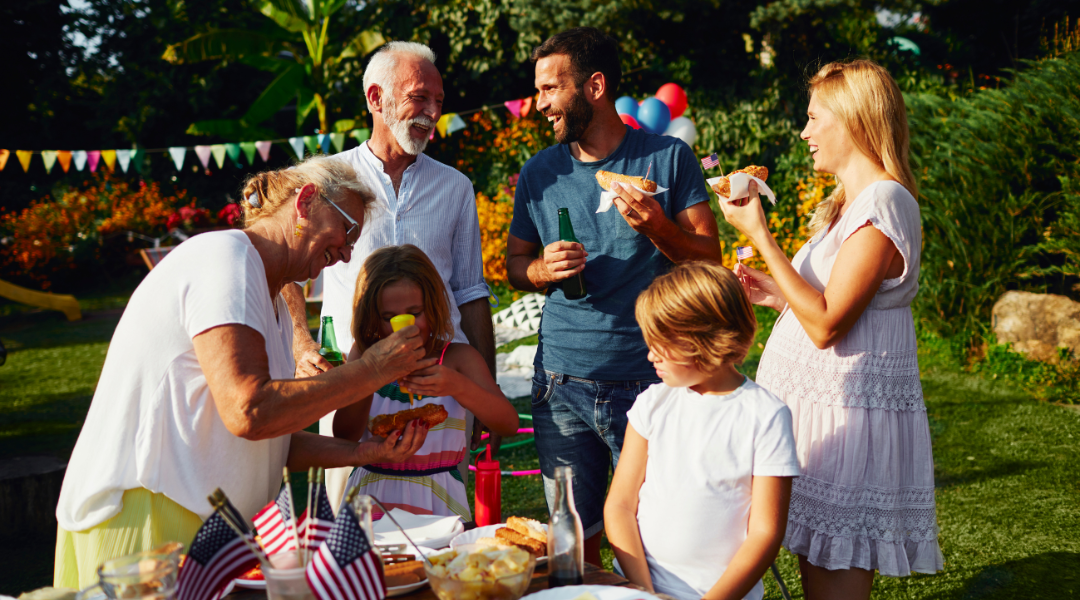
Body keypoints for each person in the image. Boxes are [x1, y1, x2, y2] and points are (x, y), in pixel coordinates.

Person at [54, 156, 434, 588]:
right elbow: (249, 410)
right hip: (151, 522)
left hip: (208, 529)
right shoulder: (226, 257)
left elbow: (275, 441)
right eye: (347, 231)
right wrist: (370, 370)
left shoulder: (267, 295)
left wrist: (368, 454)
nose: (347, 253)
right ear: (306, 201)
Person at [719, 60, 943, 599]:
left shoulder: (885, 203)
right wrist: (772, 292)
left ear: (855, 121)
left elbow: (825, 326)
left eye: (815, 117)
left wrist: (761, 235)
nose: (805, 132)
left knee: (833, 578)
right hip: (814, 411)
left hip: (845, 417)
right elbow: (825, 304)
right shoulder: (849, 206)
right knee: (814, 565)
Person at [506, 27, 722, 565]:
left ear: (594, 86)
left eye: (552, 89)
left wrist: (658, 229)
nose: (540, 105)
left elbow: (709, 258)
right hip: (560, 381)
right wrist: (540, 269)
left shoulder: (667, 159)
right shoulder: (539, 173)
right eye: (538, 91)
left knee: (655, 535)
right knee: (572, 543)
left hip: (649, 379)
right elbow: (513, 266)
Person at [280, 41, 496, 506]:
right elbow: (288, 273)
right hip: (352, 377)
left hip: (439, 377)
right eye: (420, 97)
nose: (432, 111)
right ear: (376, 99)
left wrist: (482, 392)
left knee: (442, 513)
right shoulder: (326, 179)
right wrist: (301, 343)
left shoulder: (455, 186)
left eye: (438, 101)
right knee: (350, 522)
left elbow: (471, 290)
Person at [605, 262, 799, 600]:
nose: (650, 355)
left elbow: (765, 534)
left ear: (704, 339)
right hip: (640, 589)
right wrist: (645, 593)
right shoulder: (652, 404)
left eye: (660, 343)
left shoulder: (765, 416)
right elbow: (619, 506)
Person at [333, 245, 519, 518]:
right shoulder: (364, 355)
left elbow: (508, 423)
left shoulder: (458, 359)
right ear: (372, 315)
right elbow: (344, 434)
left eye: (415, 313)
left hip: (438, 502)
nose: (405, 328)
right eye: (389, 318)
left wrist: (457, 386)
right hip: (372, 498)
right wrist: (372, 375)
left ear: (433, 307)